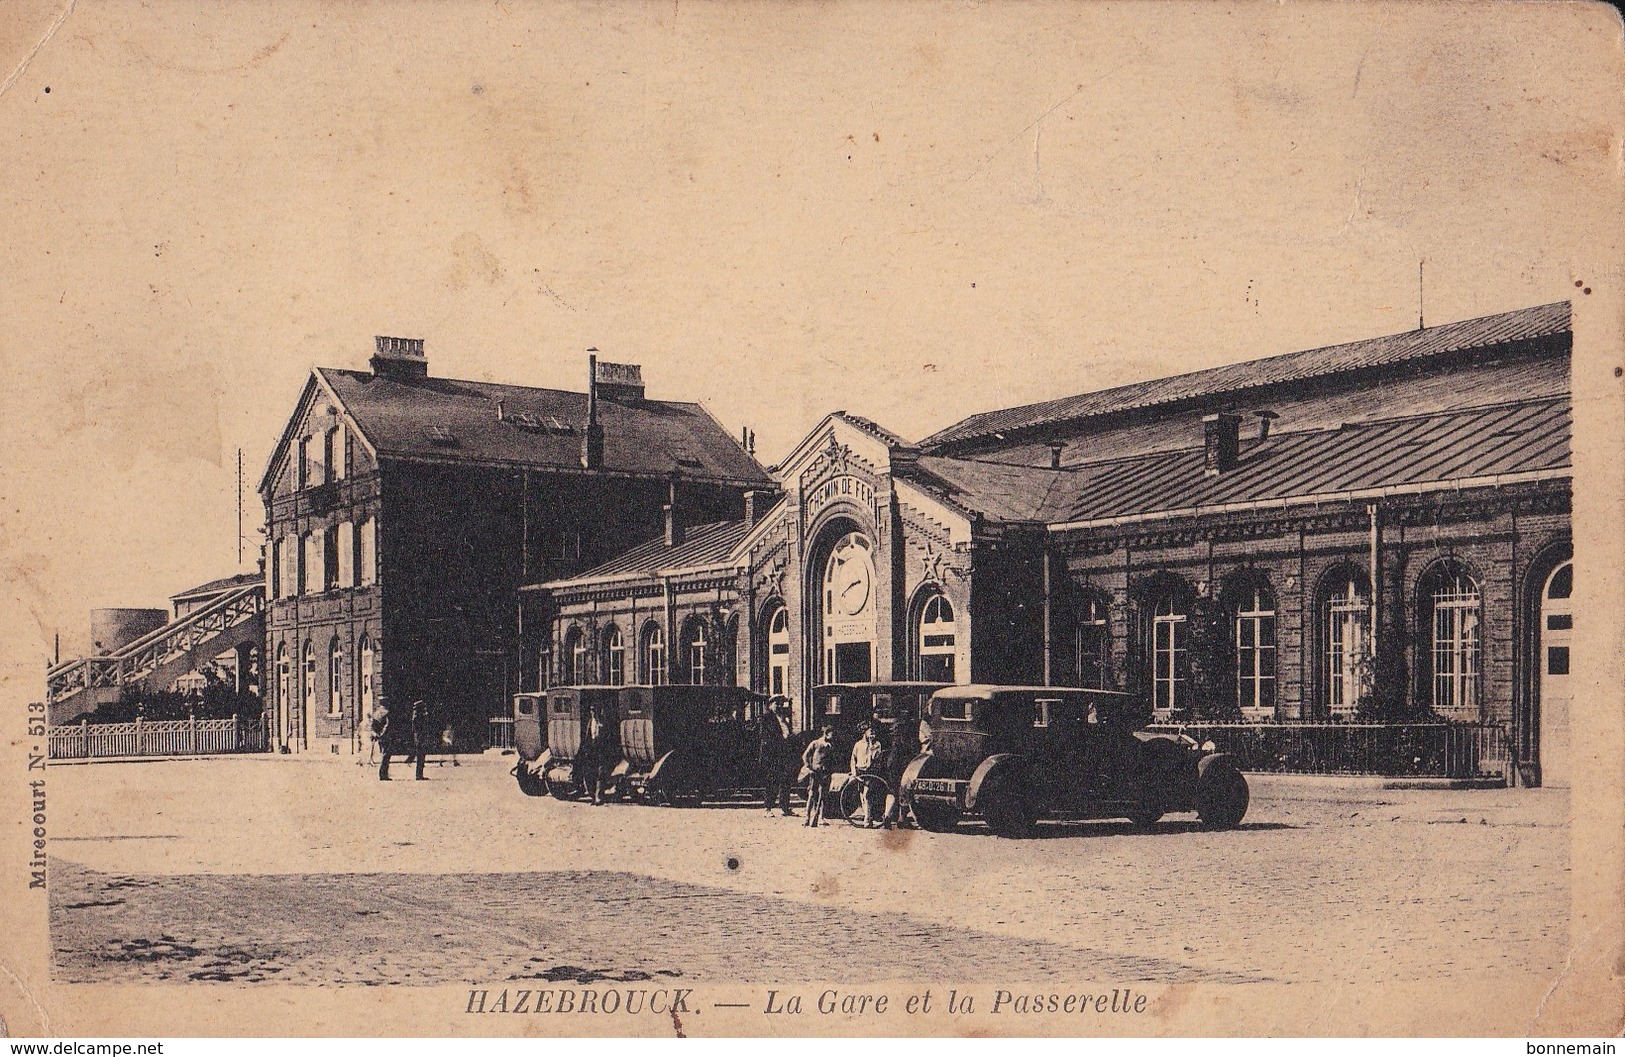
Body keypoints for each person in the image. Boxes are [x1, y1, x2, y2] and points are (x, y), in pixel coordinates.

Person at [758, 697, 796, 816]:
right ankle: (768, 808)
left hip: (784, 754)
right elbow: (766, 736)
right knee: (772, 781)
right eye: (776, 704)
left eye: (780, 704)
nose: (779, 706)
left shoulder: (784, 719)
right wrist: (781, 739)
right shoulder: (766, 718)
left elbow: (788, 734)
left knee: (785, 781)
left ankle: (785, 807)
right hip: (772, 755)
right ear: (770, 705)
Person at [849, 722, 886, 826]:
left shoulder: (877, 744)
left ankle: (867, 819)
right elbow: (853, 759)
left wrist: (870, 746)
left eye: (873, 731)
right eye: (870, 731)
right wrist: (854, 773)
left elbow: (874, 759)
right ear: (864, 732)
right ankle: (868, 817)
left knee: (867, 794)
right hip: (860, 772)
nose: (872, 733)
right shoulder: (858, 744)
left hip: (871, 772)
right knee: (862, 795)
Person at [801, 723, 836, 826]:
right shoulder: (815, 743)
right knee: (812, 794)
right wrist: (809, 767)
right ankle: (807, 817)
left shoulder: (830, 746)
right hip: (815, 772)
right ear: (826, 734)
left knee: (823, 795)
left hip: (826, 774)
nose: (832, 736)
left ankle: (821, 817)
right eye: (831, 734)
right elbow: (805, 755)